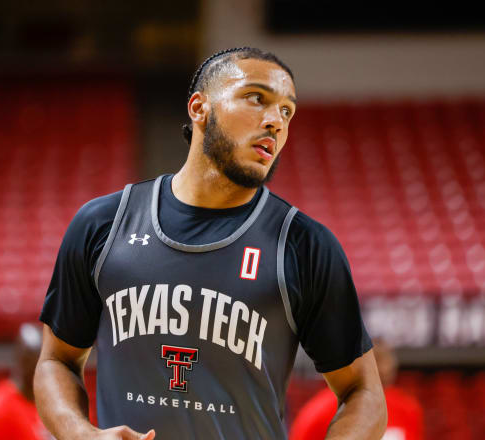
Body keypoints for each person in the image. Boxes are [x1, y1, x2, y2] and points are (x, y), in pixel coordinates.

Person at [34, 47, 387, 440]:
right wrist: (82, 435)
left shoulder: (304, 245)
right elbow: (57, 361)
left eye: (287, 112)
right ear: (199, 108)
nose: (275, 122)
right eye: (257, 98)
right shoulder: (102, 224)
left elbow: (363, 391)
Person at [290, 340, 423, 440]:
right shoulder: (320, 410)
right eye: (377, 360)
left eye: (386, 360)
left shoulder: (406, 408)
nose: (384, 368)